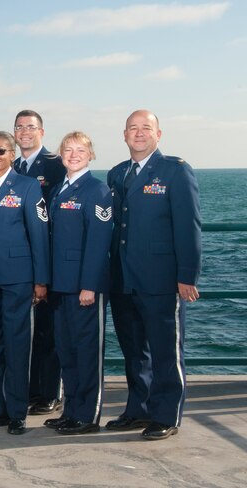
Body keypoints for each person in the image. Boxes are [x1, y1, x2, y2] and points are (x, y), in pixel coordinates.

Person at [105, 110, 201, 441]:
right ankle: (138, 409)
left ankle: (166, 414)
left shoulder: (175, 171)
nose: (139, 133)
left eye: (146, 127)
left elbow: (188, 227)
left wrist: (187, 275)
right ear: (124, 135)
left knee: (165, 350)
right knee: (134, 350)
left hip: (161, 279)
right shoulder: (117, 173)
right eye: (133, 128)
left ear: (159, 134)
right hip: (122, 279)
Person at [0, 131, 49, 436]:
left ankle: (17, 413)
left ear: (11, 154)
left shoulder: (28, 187)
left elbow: (39, 235)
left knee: (16, 346)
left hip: (18, 278)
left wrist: (41, 280)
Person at [44, 131, 112, 435]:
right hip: (60, 285)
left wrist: (89, 285)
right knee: (66, 350)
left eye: (80, 150)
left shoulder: (96, 190)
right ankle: (71, 410)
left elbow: (98, 243)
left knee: (86, 351)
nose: (73, 155)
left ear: (91, 154)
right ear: (60, 155)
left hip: (84, 288)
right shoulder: (59, 189)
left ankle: (87, 415)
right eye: (68, 150)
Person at [12, 109, 66, 416]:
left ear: (41, 132)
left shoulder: (56, 165)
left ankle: (50, 392)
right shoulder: (12, 166)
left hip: (47, 258)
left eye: (31, 127)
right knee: (26, 331)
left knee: (48, 330)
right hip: (20, 262)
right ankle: (32, 388)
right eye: (19, 127)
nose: (25, 132)